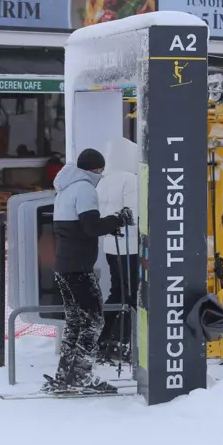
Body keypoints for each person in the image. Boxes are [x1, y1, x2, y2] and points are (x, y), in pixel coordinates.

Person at [45, 148, 134, 394]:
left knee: (76, 321)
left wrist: (108, 225)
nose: (101, 175)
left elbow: (78, 227)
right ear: (95, 169)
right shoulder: (84, 188)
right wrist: (118, 219)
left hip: (64, 265)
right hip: (79, 267)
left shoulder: (65, 189)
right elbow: (91, 227)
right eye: (100, 170)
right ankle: (81, 377)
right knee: (93, 320)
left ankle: (65, 375)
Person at [96, 137, 139, 363]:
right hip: (129, 245)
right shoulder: (130, 180)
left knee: (117, 290)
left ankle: (105, 335)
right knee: (131, 293)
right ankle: (122, 338)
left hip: (111, 245)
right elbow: (134, 214)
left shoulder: (104, 181)